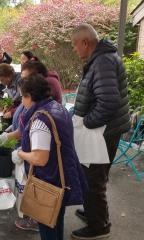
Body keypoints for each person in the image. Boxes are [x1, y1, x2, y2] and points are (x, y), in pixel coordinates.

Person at [70, 23, 130, 239]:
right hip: (106, 129)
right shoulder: (100, 58)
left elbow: (109, 101)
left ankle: (99, 226)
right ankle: (94, 212)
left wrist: (87, 122)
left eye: (75, 45)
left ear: (85, 43)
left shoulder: (103, 61)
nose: (75, 50)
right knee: (95, 175)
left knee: (93, 177)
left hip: (104, 131)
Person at [13, 74, 87, 240]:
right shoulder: (56, 107)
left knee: (48, 227)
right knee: (55, 221)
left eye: (21, 96)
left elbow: (40, 158)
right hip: (63, 176)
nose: (21, 101)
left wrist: (20, 153)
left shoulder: (40, 120)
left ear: (29, 96)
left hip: (49, 181)